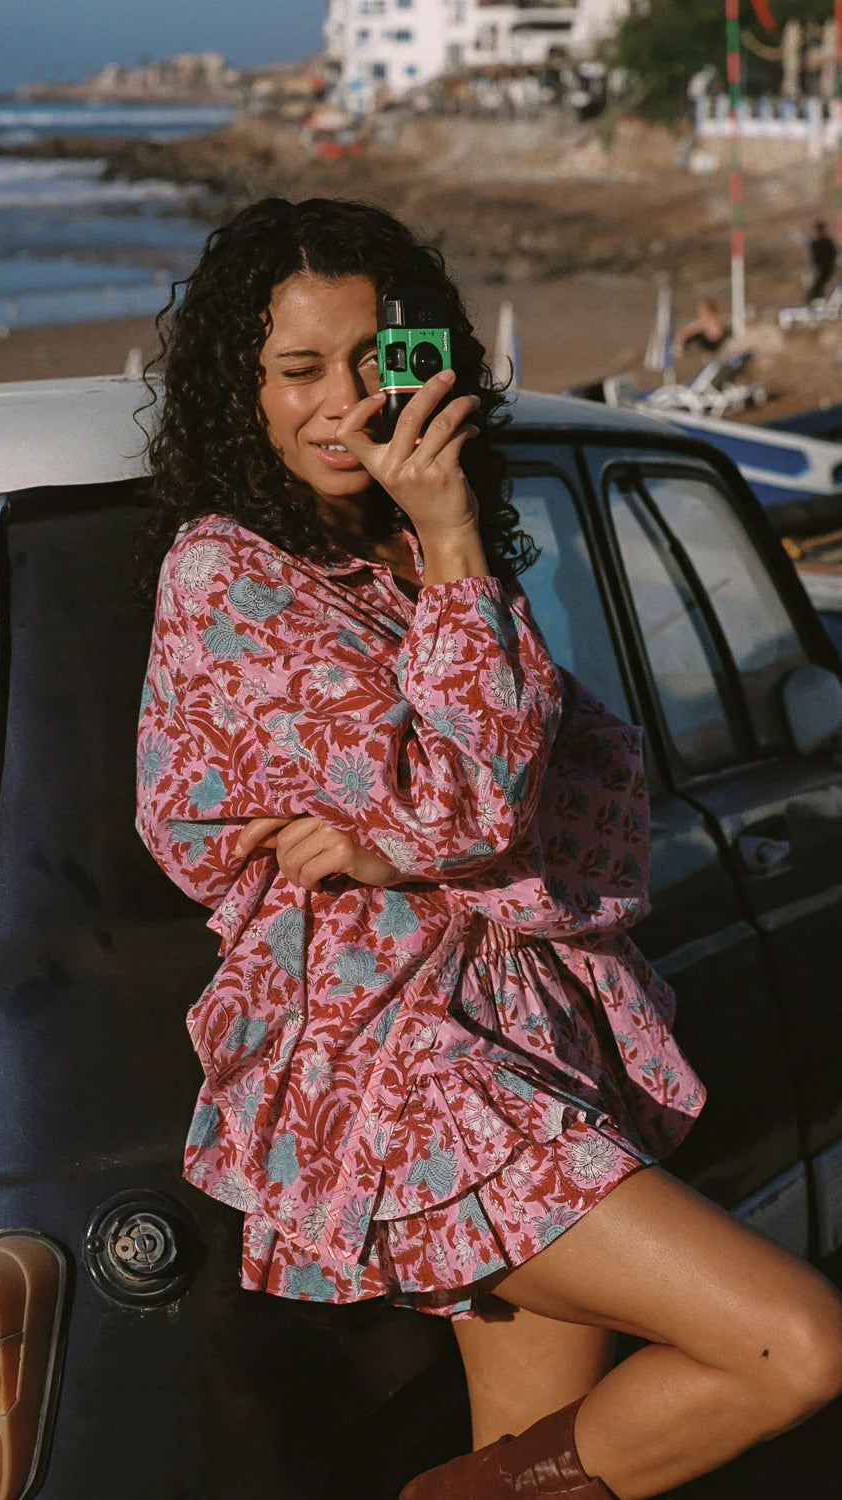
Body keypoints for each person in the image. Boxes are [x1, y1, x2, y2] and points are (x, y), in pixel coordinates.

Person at [135, 196, 842, 1500]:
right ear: (245, 392)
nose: (345, 402)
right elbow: (481, 809)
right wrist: (458, 571)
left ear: (431, 366)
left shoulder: (412, 556)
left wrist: (405, 836)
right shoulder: (227, 574)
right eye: (299, 370)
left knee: (540, 1470)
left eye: (377, 360)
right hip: (404, 1067)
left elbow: (586, 796)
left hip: (525, 1032)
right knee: (792, 1343)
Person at [807, 219, 837, 304]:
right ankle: (816, 298)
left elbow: (833, 253)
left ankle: (816, 298)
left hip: (827, 267)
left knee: (820, 284)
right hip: (821, 267)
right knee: (819, 284)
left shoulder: (826, 241)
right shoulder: (818, 242)